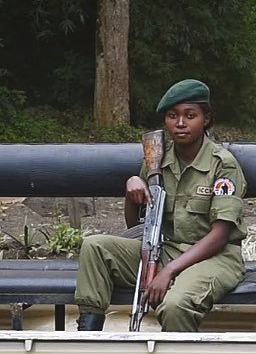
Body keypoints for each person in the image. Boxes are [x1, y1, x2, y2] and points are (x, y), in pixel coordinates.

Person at [74, 79, 247, 332]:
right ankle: (88, 340)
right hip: (165, 251)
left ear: (206, 119)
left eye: (190, 116)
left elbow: (219, 237)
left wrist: (168, 272)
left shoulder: (223, 165)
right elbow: (137, 227)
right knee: (95, 247)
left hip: (214, 258)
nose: (180, 123)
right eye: (172, 115)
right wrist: (131, 190)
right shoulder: (156, 161)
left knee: (175, 305)